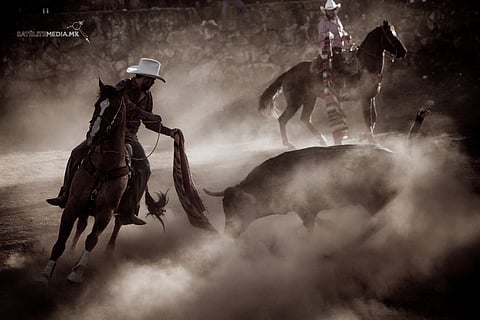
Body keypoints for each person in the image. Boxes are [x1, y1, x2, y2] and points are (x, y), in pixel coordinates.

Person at [47, 58, 177, 226]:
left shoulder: (148, 96)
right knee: (76, 153)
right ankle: (65, 193)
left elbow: (149, 124)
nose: (152, 82)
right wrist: (146, 115)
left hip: (130, 136)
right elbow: (125, 105)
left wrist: (169, 132)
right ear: (142, 76)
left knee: (145, 168)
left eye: (153, 80)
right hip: (109, 132)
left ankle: (129, 210)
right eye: (150, 79)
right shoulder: (123, 86)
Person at [317, 0, 351, 75]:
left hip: (341, 48)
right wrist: (327, 35)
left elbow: (341, 31)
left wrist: (346, 36)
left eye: (332, 10)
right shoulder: (323, 22)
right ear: (326, 11)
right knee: (339, 62)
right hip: (331, 49)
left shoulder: (337, 20)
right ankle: (337, 81)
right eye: (329, 11)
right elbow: (320, 37)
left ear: (335, 10)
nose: (331, 12)